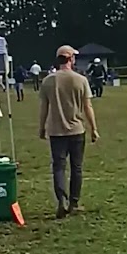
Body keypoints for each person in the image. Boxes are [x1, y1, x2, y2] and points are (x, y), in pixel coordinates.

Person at [39, 44, 99, 219]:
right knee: (76, 168)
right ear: (71, 59)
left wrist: (41, 127)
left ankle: (61, 201)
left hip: (56, 131)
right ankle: (74, 202)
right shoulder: (80, 80)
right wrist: (94, 128)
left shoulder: (48, 81)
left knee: (59, 167)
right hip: (76, 130)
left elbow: (44, 108)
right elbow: (88, 106)